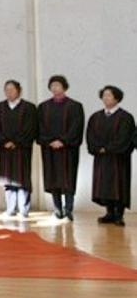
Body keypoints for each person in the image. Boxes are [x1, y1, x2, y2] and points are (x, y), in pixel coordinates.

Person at [86, 85, 135, 226]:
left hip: (118, 158)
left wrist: (107, 148)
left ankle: (119, 215)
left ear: (117, 98)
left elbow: (125, 137)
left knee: (119, 185)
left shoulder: (125, 117)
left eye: (109, 95)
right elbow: (91, 135)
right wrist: (98, 148)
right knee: (104, 185)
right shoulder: (95, 117)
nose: (106, 97)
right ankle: (109, 213)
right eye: (104, 95)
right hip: (101, 158)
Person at [37, 75, 84, 221]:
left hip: (68, 149)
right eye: (52, 85)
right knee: (53, 178)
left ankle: (68, 209)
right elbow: (40, 127)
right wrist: (50, 141)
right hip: (50, 149)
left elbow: (77, 127)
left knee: (68, 179)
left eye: (58, 85)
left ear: (64, 86)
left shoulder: (75, 106)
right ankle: (57, 209)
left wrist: (63, 141)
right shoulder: (43, 107)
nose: (55, 88)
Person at [0, 80, 38, 218]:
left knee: (22, 179)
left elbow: (30, 128)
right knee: (8, 179)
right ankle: (10, 208)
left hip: (22, 149)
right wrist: (4, 141)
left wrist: (16, 142)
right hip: (5, 149)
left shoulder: (29, 108)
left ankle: (24, 209)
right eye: (6, 90)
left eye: (12, 89)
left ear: (19, 90)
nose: (9, 92)